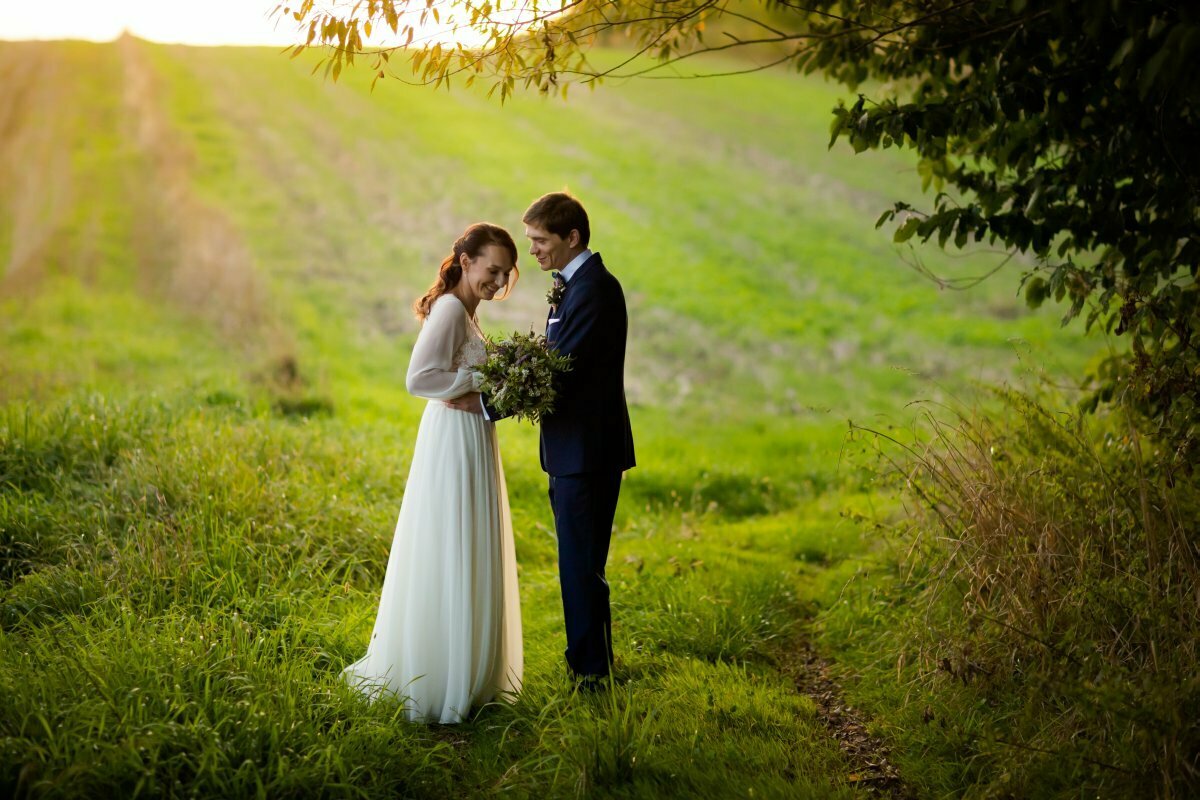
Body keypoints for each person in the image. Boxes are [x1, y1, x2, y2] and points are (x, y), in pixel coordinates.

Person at [449, 193, 635, 688]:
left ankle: (590, 672)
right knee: (582, 565)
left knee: (580, 567)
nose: (530, 250)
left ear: (570, 237)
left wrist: (489, 405)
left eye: (539, 240)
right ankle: (594, 664)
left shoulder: (594, 289)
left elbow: (560, 373)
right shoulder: (574, 286)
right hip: (577, 451)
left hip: (587, 453)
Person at [343, 222, 523, 723]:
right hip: (452, 437)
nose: (498, 279)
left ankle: (465, 668)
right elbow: (419, 378)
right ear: (465, 261)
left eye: (506, 272)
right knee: (451, 542)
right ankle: (441, 676)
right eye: (492, 269)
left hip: (470, 434)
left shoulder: (466, 312)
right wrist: (478, 382)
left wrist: (493, 386)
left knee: (465, 543)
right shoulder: (448, 310)